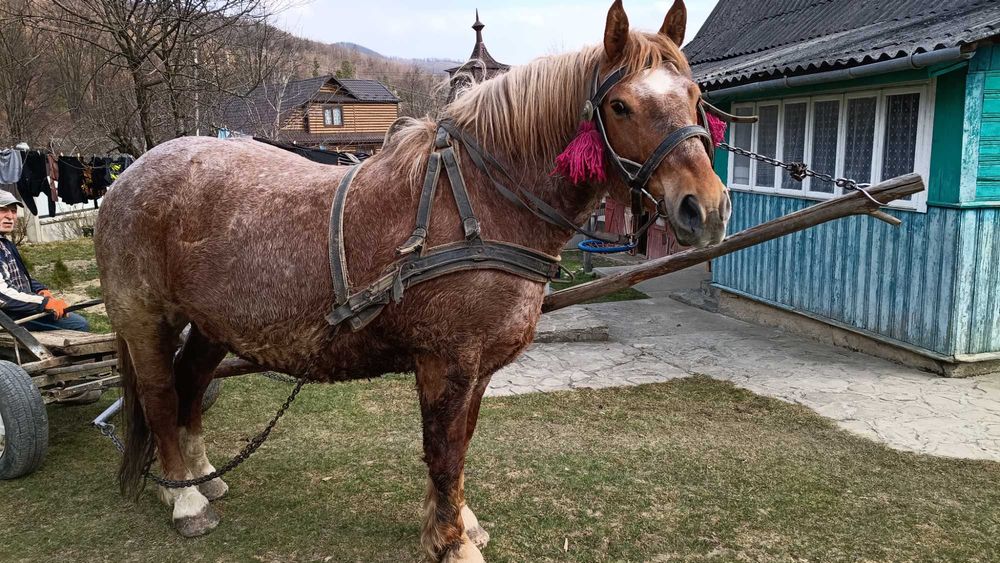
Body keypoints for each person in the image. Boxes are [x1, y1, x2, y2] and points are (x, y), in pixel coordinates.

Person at [0, 191, 89, 331]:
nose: (10, 216)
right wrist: (43, 303)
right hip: (8, 316)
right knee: (78, 325)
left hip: (20, 307)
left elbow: (20, 277)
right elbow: (2, 295)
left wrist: (40, 289)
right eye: (3, 210)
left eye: (13, 211)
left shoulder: (5, 243)